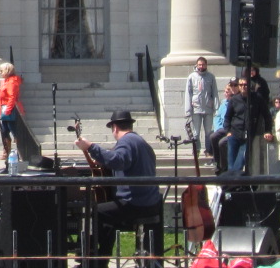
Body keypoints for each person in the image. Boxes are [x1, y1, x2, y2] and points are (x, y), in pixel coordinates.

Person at [74, 109, 163, 268]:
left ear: (114, 128)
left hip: (135, 203)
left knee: (93, 212)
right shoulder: (141, 143)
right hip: (151, 203)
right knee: (108, 218)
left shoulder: (126, 142)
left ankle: (86, 258)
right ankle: (100, 261)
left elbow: (118, 160)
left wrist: (91, 147)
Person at [183, 56, 217, 152]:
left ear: (206, 65)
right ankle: (196, 150)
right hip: (196, 108)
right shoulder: (191, 77)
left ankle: (208, 150)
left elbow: (215, 93)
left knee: (208, 132)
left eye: (203, 64)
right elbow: (188, 94)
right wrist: (187, 110)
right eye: (199, 65)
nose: (201, 66)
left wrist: (216, 108)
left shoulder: (211, 77)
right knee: (196, 132)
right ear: (196, 65)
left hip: (208, 108)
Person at [223, 77, 251, 175]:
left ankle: (233, 180)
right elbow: (227, 117)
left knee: (239, 163)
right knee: (231, 164)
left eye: (245, 85)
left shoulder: (254, 99)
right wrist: (228, 132)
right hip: (234, 134)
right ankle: (231, 182)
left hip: (247, 136)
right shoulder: (234, 99)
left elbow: (266, 116)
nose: (243, 87)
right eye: (241, 85)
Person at [0, 61, 22, 161]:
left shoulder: (11, 82)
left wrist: (8, 110)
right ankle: (6, 151)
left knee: (14, 131)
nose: (0, 72)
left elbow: (12, 97)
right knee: (5, 131)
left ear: (7, 71)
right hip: (4, 108)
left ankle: (20, 152)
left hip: (9, 109)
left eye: (1, 70)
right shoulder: (5, 82)